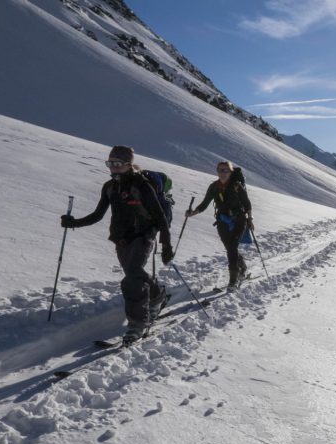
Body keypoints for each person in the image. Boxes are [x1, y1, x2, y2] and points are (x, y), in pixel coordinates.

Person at [61, 146, 175, 343]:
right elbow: (98, 215)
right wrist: (73, 223)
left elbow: (160, 217)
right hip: (121, 238)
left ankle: (137, 324)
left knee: (132, 277)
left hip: (143, 235)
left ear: (128, 164)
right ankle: (158, 296)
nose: (112, 167)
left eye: (117, 163)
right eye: (110, 163)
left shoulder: (142, 185)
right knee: (135, 274)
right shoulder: (109, 187)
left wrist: (166, 245)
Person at [186, 160, 253, 290]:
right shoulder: (214, 187)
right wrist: (192, 213)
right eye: (219, 170)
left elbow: (247, 203)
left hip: (239, 219)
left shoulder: (237, 186)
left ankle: (233, 281)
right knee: (230, 247)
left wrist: (250, 219)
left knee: (232, 245)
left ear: (230, 172)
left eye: (225, 170)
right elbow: (204, 204)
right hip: (222, 220)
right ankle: (242, 268)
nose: (222, 173)